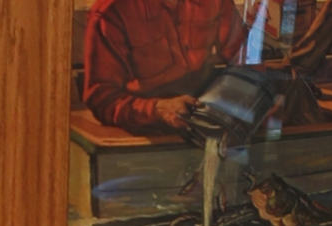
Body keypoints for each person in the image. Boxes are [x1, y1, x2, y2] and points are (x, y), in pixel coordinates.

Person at [83, 0, 247, 133]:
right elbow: (102, 99)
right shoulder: (111, 11)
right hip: (144, 133)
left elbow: (246, 59)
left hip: (208, 124)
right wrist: (157, 110)